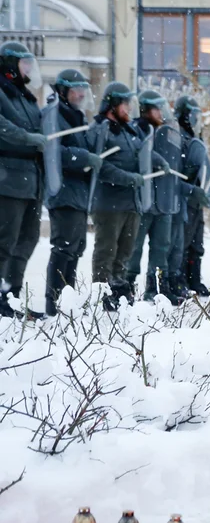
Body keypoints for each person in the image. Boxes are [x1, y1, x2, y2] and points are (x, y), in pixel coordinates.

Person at [42, 70, 102, 316]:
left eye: (83, 89)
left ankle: (68, 300)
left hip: (78, 193)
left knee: (76, 248)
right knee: (63, 247)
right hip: (63, 192)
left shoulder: (77, 117)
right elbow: (55, 150)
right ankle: (54, 303)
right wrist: (85, 157)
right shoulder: (54, 115)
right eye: (75, 90)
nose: (80, 94)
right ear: (63, 91)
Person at [90, 82, 150, 311]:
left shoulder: (129, 130)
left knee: (125, 250)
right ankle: (102, 291)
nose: (129, 109)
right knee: (106, 249)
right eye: (125, 104)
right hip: (108, 202)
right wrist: (126, 177)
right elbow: (100, 164)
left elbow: (141, 153)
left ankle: (118, 288)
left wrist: (156, 161)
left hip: (130, 202)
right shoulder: (101, 129)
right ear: (112, 105)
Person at [0, 41, 46, 318]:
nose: (28, 69)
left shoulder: (25, 96)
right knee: (5, 240)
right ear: (9, 66)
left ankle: (12, 294)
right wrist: (26, 138)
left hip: (31, 179)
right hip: (7, 176)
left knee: (27, 239)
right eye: (24, 63)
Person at [127, 90, 178, 302]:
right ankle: (126, 285)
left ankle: (157, 287)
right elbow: (139, 150)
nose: (161, 113)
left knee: (161, 246)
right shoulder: (136, 129)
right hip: (142, 200)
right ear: (146, 110)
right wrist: (156, 160)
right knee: (134, 246)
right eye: (157, 108)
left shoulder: (167, 132)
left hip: (163, 200)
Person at [175, 95, 210, 297]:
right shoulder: (177, 137)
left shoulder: (192, 138)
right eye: (193, 115)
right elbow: (177, 171)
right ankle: (179, 280)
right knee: (182, 242)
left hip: (195, 199)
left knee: (196, 243)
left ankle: (194, 279)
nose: (196, 119)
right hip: (183, 199)